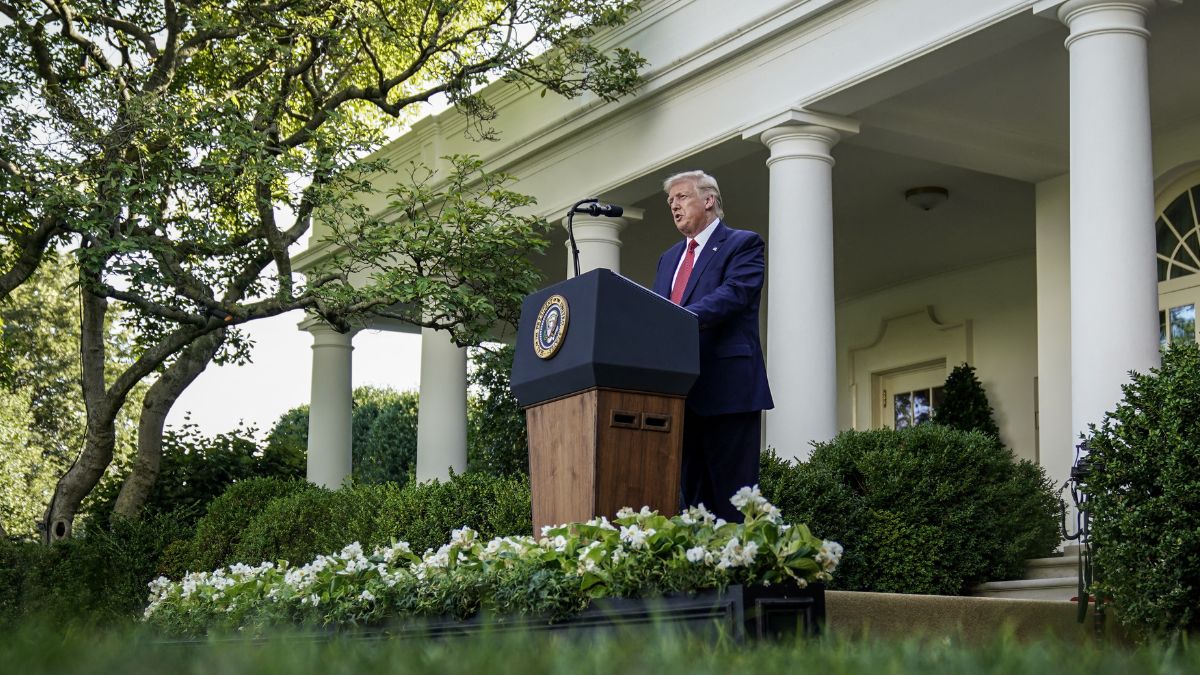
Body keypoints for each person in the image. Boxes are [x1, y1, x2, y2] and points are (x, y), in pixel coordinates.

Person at [651, 170, 773, 523]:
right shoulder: (668, 259)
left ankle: (735, 573)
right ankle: (699, 575)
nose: (674, 205)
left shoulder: (743, 244)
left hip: (728, 392)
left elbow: (734, 293)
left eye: (682, 197)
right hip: (681, 395)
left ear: (709, 200)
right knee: (692, 501)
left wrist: (681, 317)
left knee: (733, 500)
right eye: (670, 200)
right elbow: (657, 312)